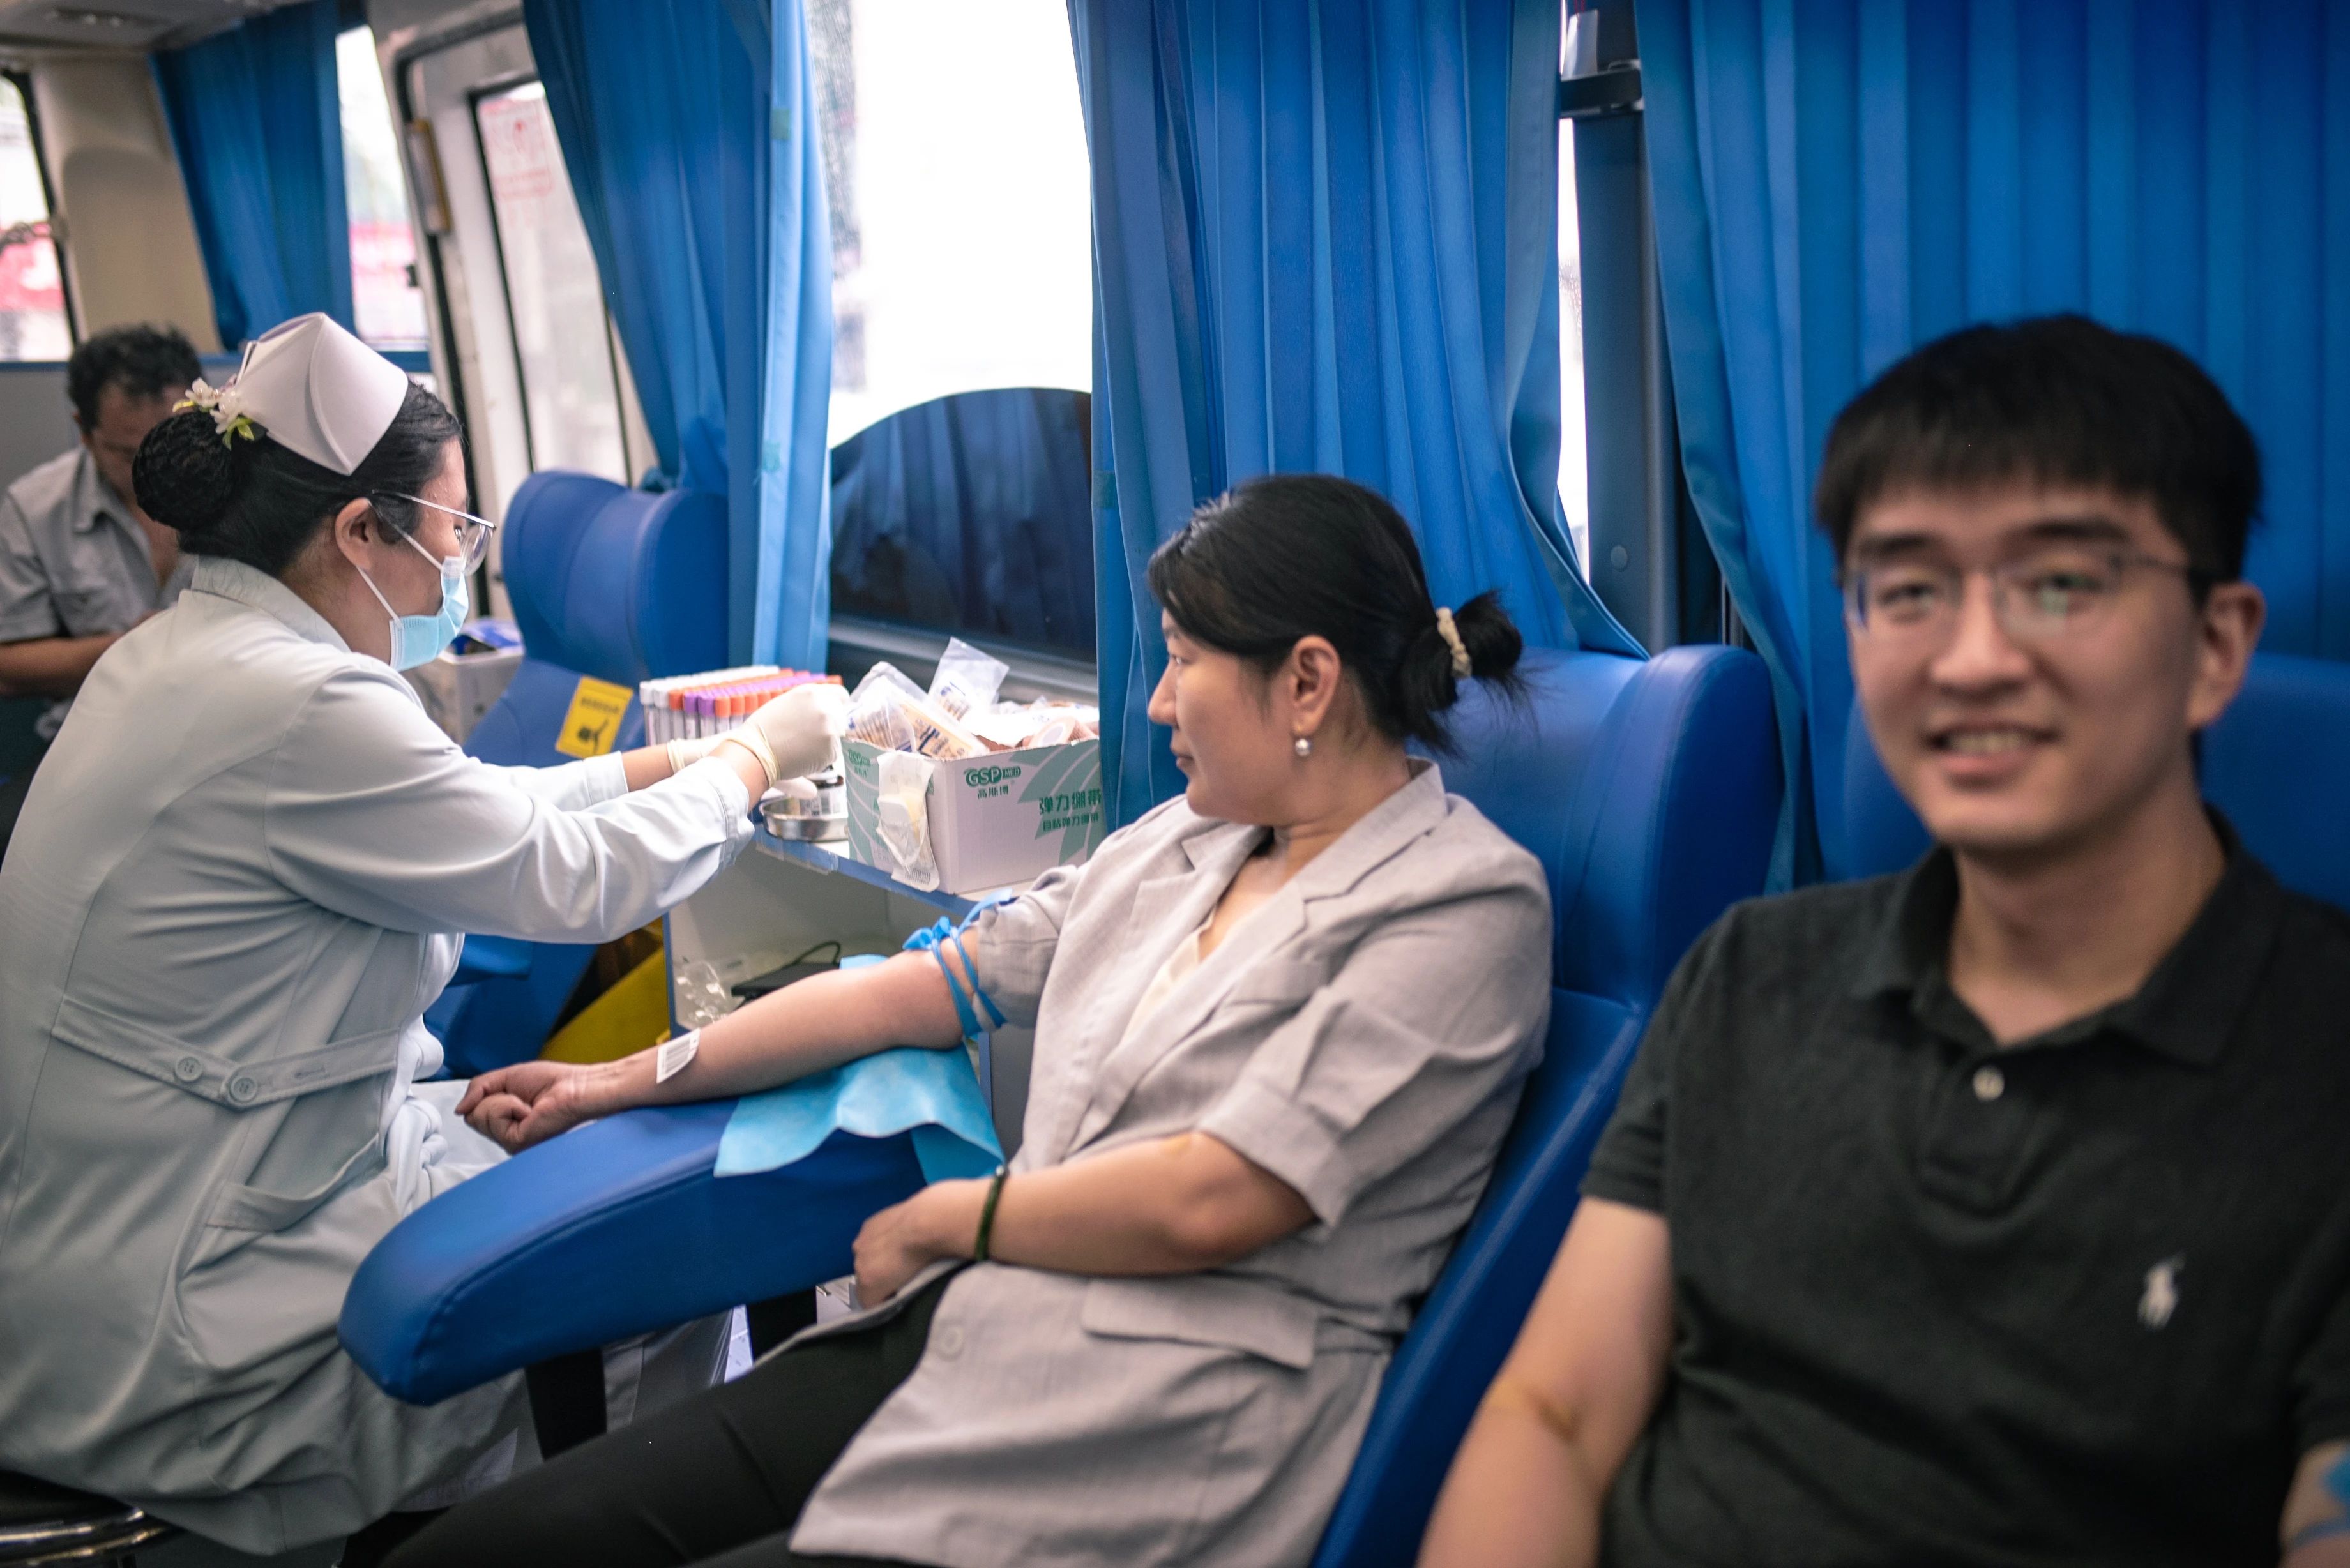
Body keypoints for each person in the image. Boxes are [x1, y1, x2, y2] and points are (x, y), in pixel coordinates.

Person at [386, 472, 1554, 1568]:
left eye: (1185, 659)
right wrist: (613, 1081)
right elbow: (904, 990)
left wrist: (961, 1216)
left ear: (1306, 682)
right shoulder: (1185, 843)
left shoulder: (1459, 908)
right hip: (987, 1325)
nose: (1156, 700)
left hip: (1155, 1420)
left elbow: (1217, 1196)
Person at [1420, 315, 2350, 1568]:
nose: (1972, 660)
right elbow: (1555, 1413)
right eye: (1909, 590)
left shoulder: (2319, 1062)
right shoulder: (1751, 975)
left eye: (2060, 585)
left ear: (2215, 644)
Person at [0, 313, 850, 1556]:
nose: (462, 566)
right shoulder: (299, 702)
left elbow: (483, 810)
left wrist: (671, 762)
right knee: (657, 1277)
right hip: (198, 1293)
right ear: (361, 531)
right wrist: (753, 759)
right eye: (454, 531)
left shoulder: (190, 653)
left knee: (592, 1174)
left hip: (146, 1208)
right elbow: (568, 877)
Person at [0, 324, 201, 849]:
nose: (159, 467)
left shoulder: (241, 490)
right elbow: (9, 667)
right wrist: (131, 647)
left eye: (171, 442)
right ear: (84, 433)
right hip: (91, 739)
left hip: (220, 730)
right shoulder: (35, 510)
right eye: (130, 454)